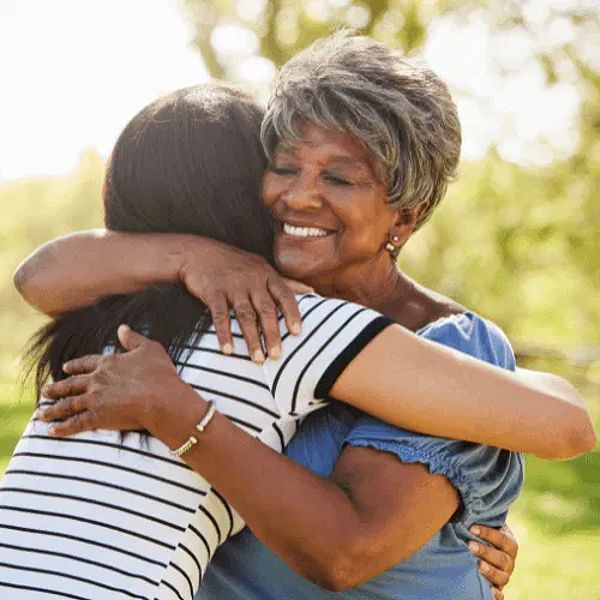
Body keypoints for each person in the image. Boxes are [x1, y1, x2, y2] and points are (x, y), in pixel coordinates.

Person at [13, 34, 595, 600]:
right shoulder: (231, 299)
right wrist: (195, 254)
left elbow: (346, 553)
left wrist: (182, 418)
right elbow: (38, 275)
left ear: (405, 218)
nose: (300, 197)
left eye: (339, 178)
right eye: (284, 166)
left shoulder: (419, 338)